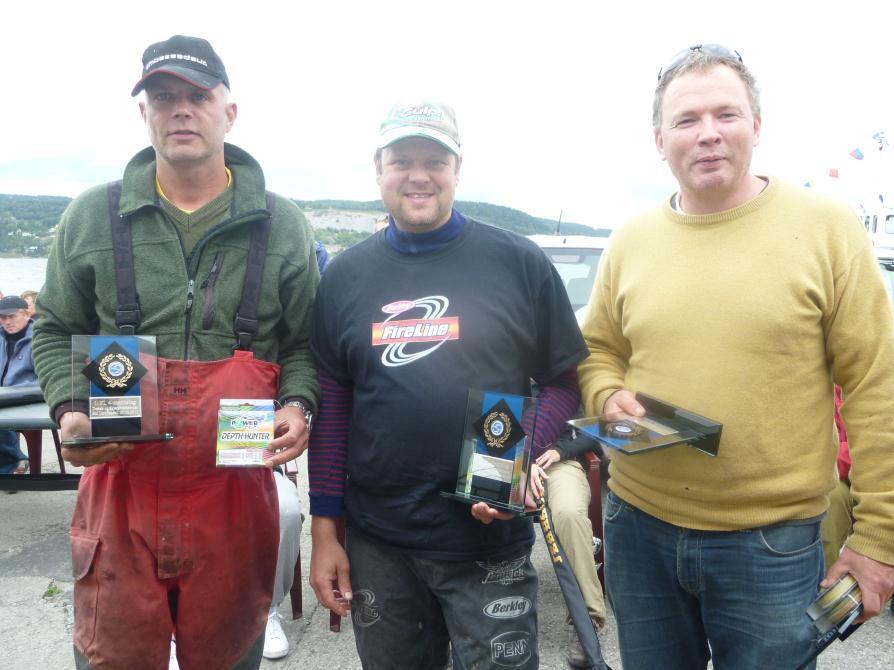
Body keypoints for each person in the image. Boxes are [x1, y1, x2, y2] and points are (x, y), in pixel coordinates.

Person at [578, 44, 894, 669]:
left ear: (756, 124)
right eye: (687, 120)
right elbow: (597, 349)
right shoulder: (629, 241)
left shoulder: (828, 229)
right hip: (637, 527)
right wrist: (604, 395)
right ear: (659, 138)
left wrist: (880, 537)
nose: (708, 135)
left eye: (726, 114)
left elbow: (875, 387)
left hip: (771, 545)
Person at [32, 35, 319, 670]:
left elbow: (303, 343)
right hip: (121, 487)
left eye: (198, 95)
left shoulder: (284, 225)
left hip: (235, 493)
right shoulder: (91, 218)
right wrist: (71, 408)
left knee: (228, 656)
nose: (180, 110)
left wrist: (299, 404)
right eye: (163, 98)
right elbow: (51, 327)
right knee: (112, 657)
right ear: (145, 115)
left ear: (229, 112)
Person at [308, 102, 588, 669]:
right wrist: (324, 531)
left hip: (488, 540)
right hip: (379, 543)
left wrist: (520, 455)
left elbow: (563, 381)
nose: (418, 174)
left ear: (457, 168)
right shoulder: (344, 276)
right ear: (378, 168)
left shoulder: (519, 262)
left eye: (435, 160)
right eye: (402, 160)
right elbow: (334, 411)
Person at [535, 433, 608, 667]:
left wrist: (561, 451)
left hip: (559, 462)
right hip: (506, 459)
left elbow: (596, 431)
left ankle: (585, 622)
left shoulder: (566, 395)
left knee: (569, 515)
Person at [0, 295, 37, 475]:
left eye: (12, 316)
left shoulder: (39, 340)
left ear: (27, 314)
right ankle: (16, 460)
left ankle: (12, 464)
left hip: (30, 397)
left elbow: (45, 379)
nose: (7, 321)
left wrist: (16, 391)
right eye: (3, 317)